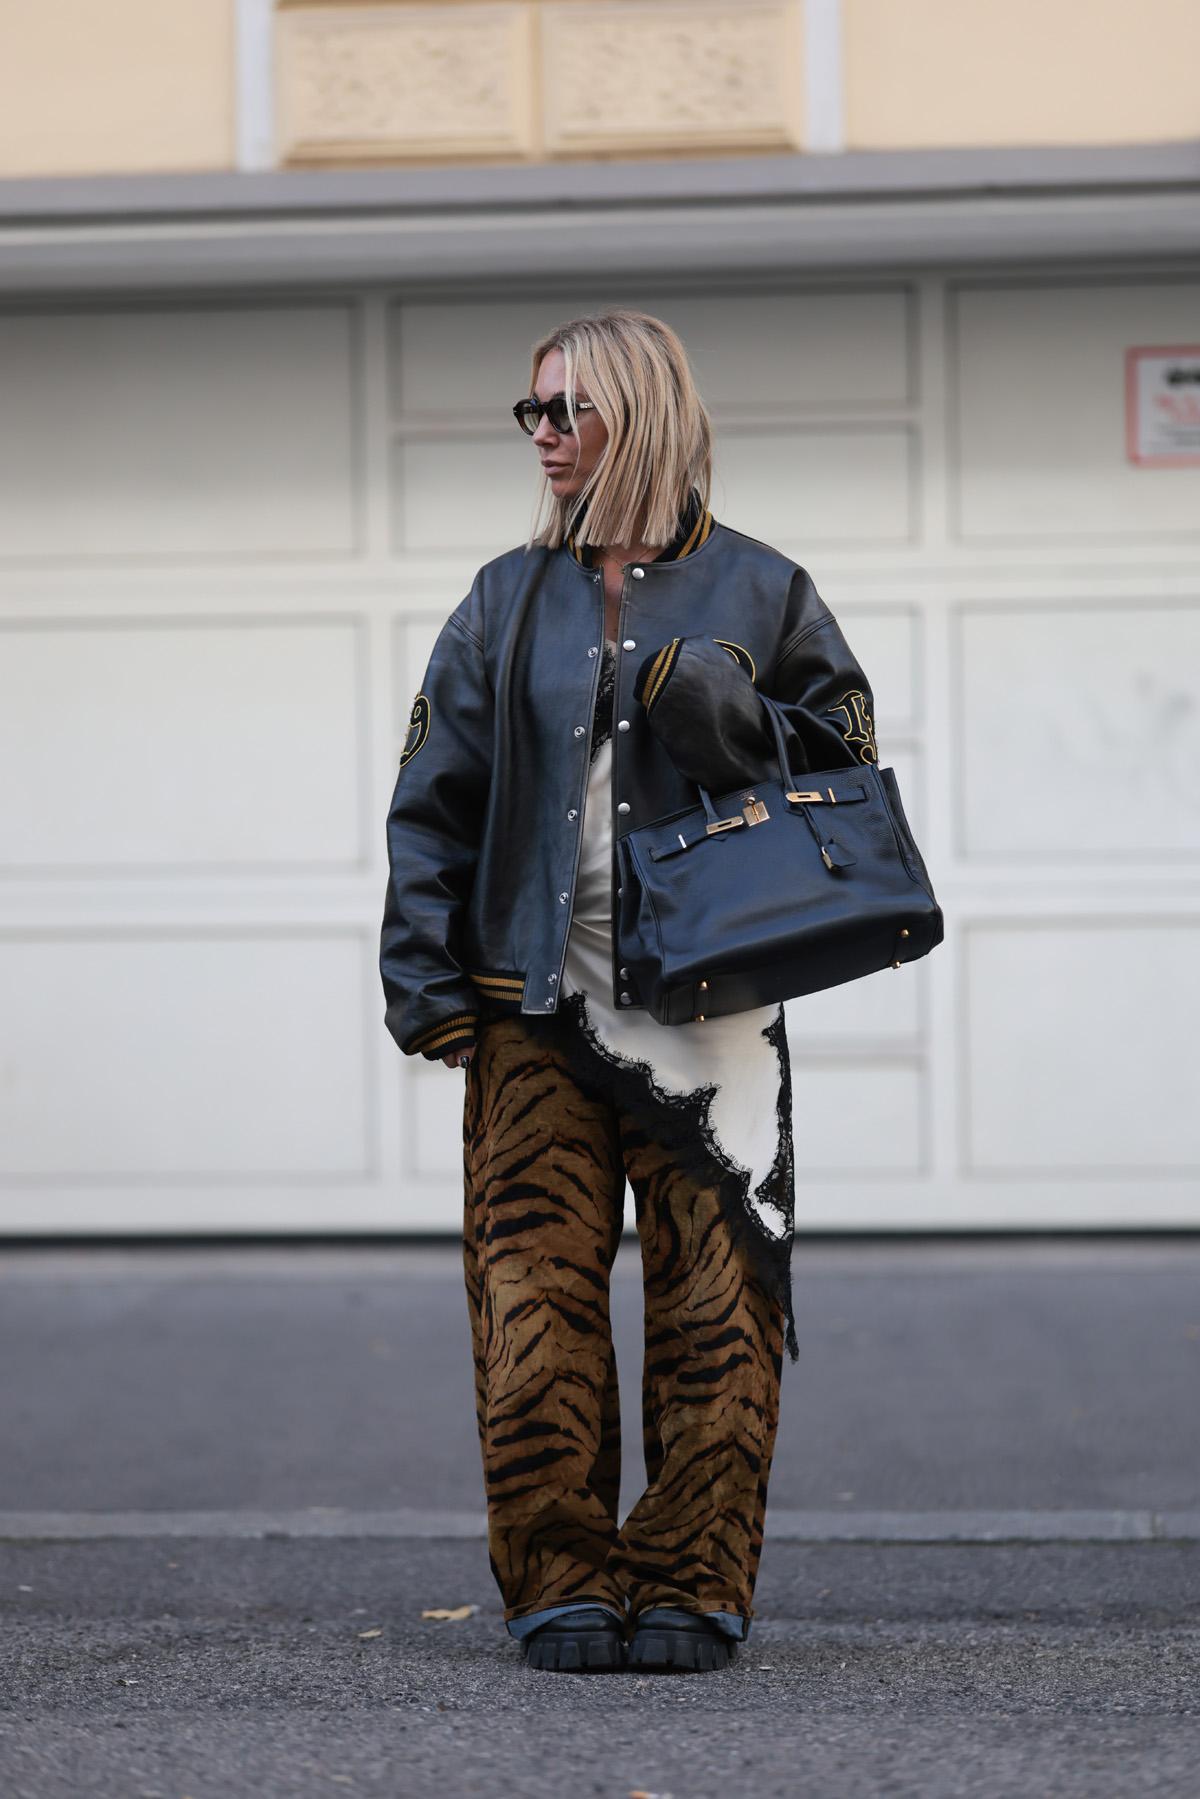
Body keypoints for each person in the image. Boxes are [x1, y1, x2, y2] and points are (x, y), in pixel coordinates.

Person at [380, 310, 879, 1673]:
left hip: (714, 1011)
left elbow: (845, 762)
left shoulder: (766, 590)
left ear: (641, 413)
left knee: (721, 1313)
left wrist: (731, 711)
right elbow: (433, 800)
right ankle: (559, 1578)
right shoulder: (504, 598)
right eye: (531, 411)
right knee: (531, 1311)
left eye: (568, 410)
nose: (542, 436)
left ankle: (693, 1578)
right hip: (528, 1011)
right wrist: (424, 976)